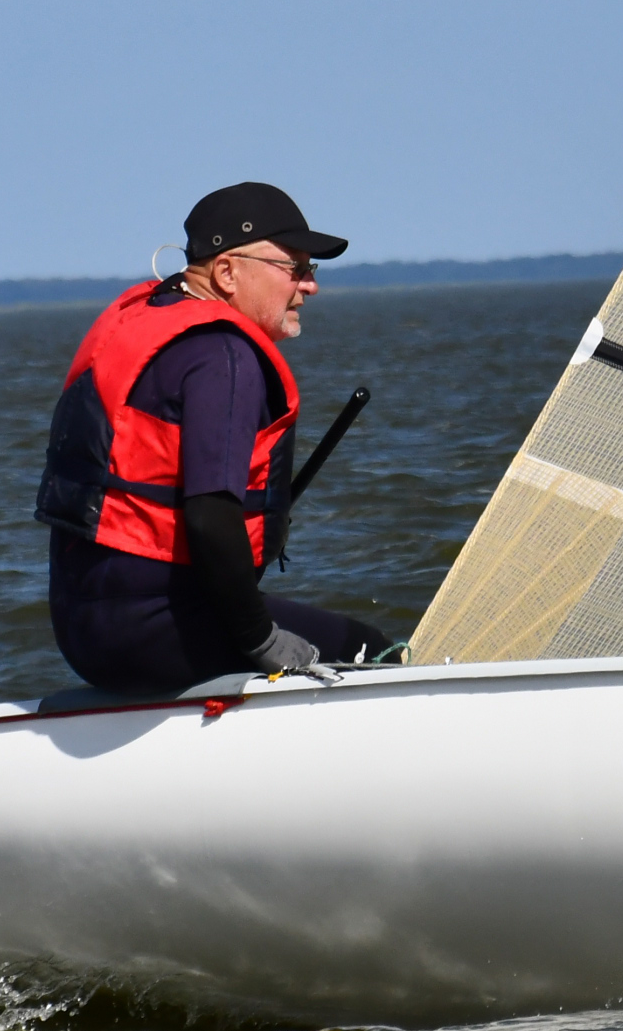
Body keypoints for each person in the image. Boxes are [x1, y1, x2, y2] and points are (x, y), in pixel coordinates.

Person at [35, 181, 384, 693]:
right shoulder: (224, 356)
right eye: (295, 268)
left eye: (311, 269)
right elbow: (210, 515)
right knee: (369, 649)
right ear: (226, 272)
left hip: (81, 628)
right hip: (152, 629)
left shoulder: (142, 319)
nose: (310, 286)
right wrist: (260, 640)